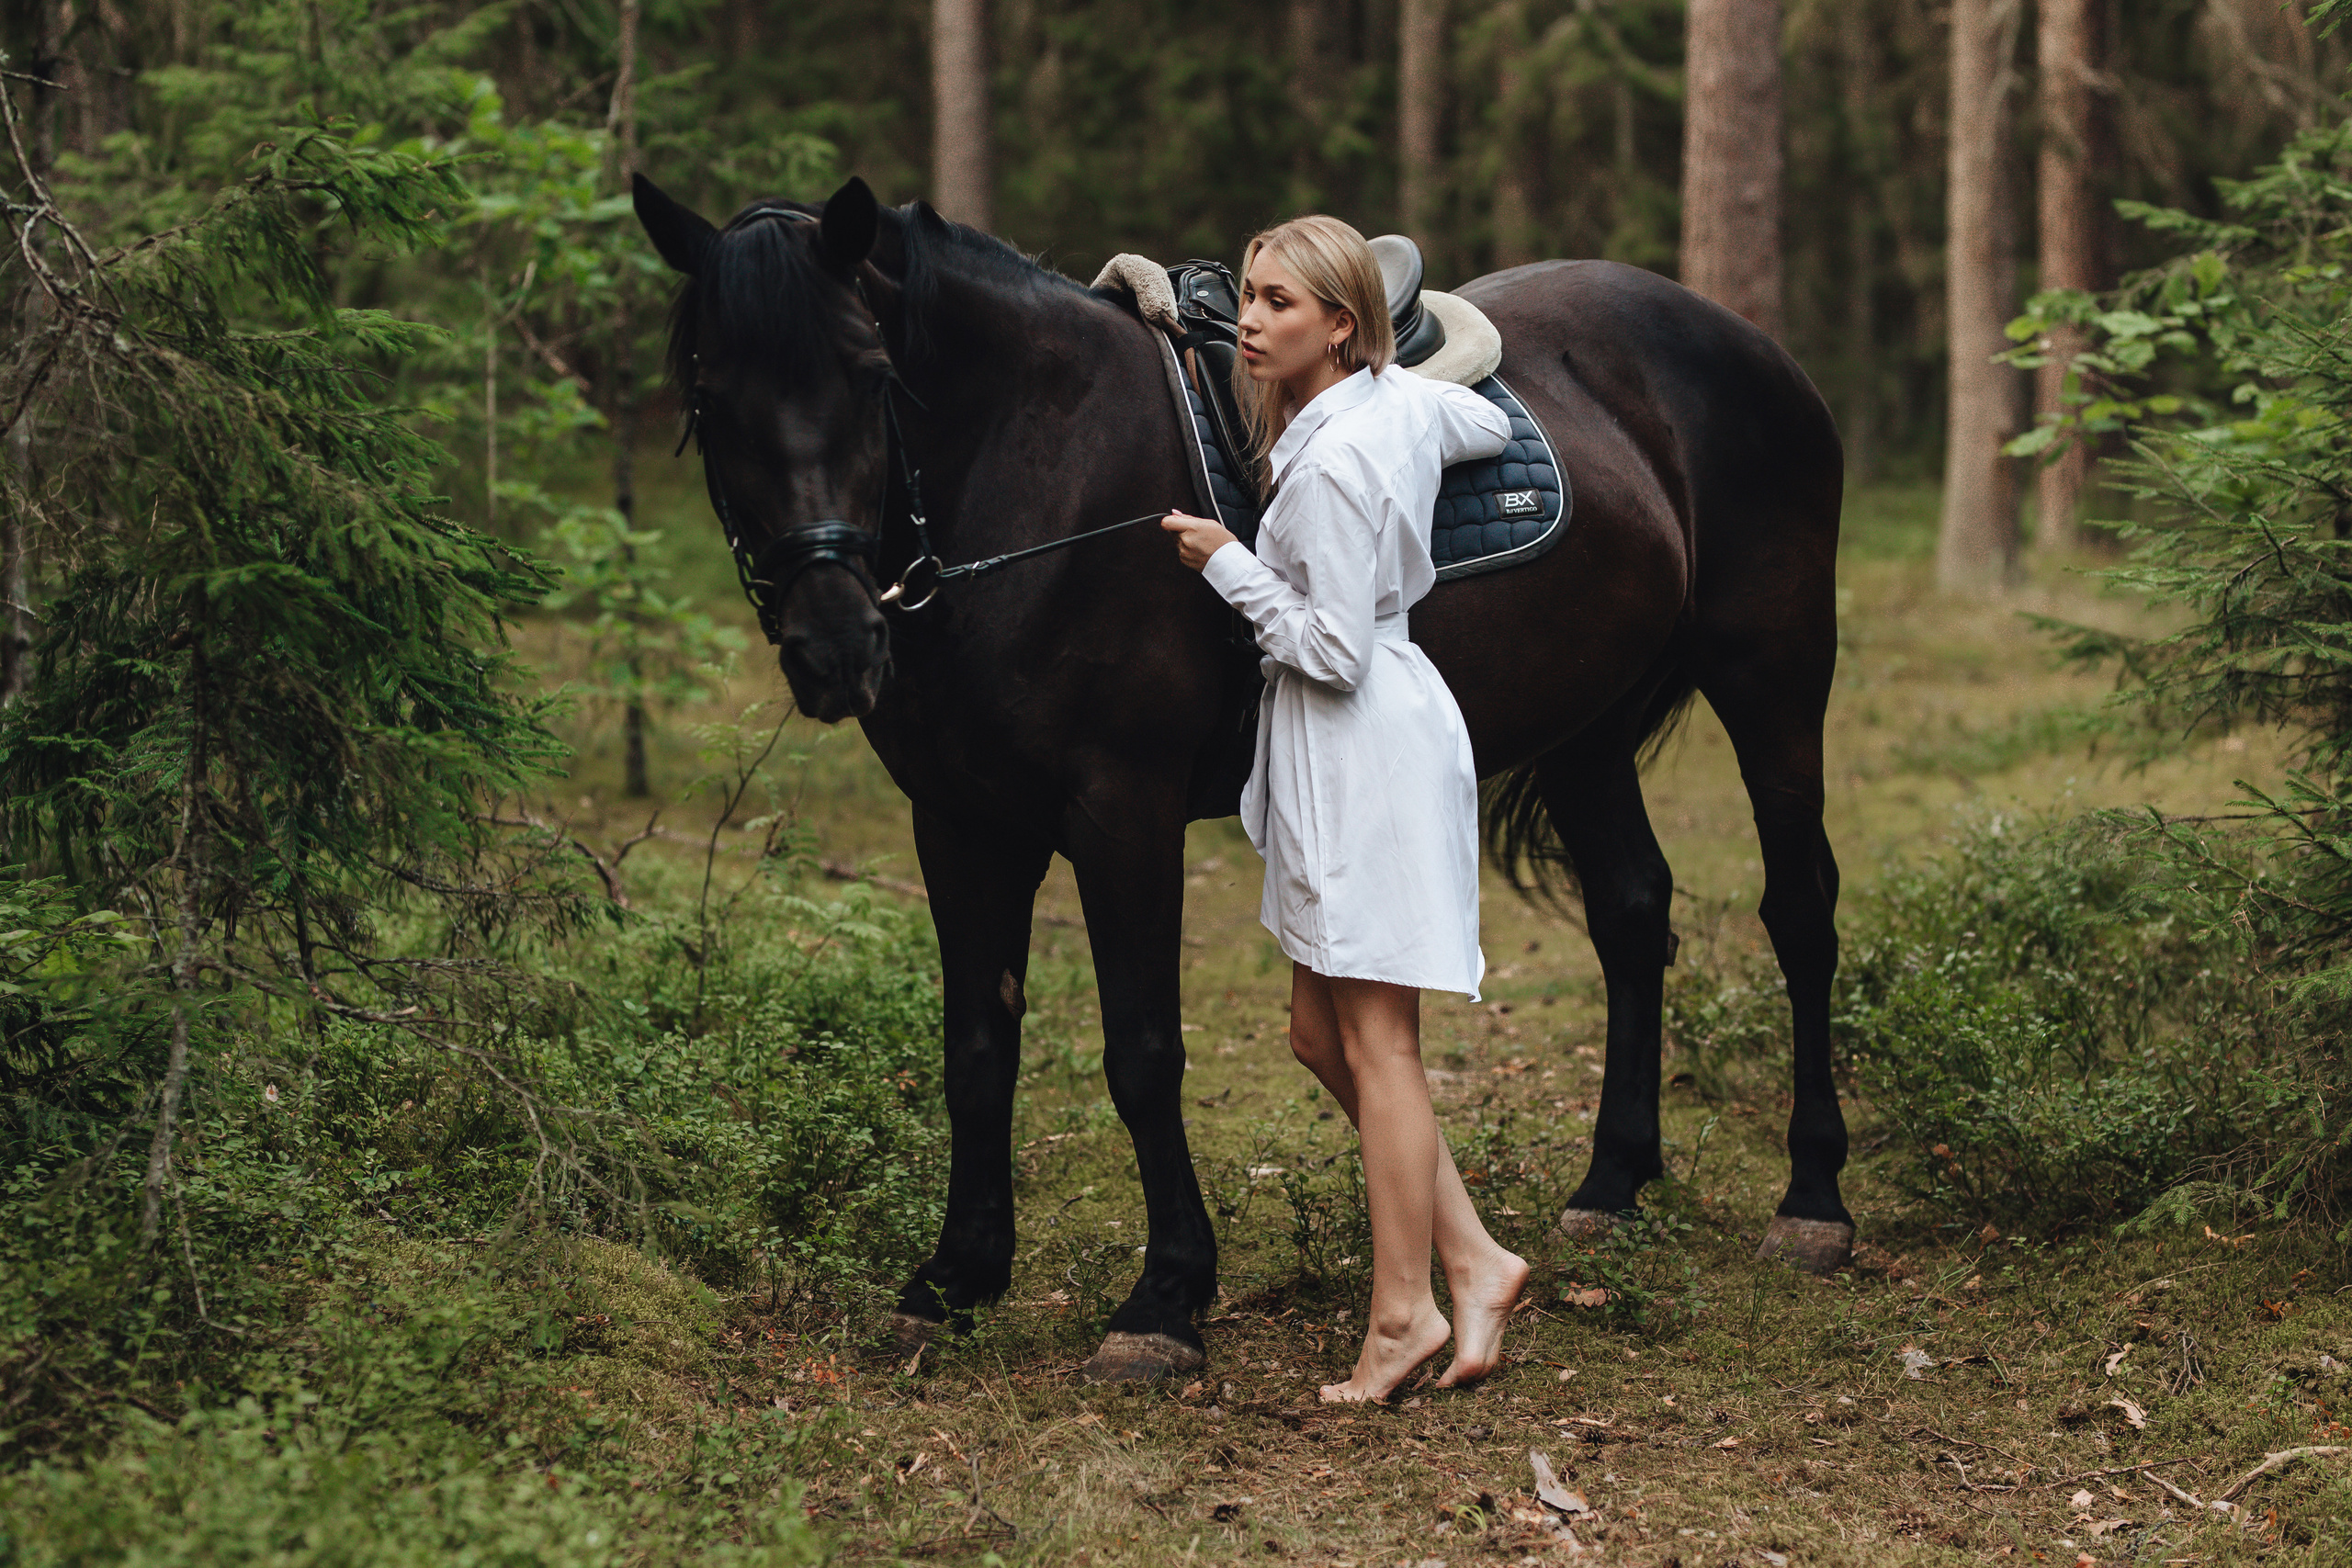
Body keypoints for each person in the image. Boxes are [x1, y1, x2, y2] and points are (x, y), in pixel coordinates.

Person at [1161, 216, 1531, 1403]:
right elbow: (1480, 418)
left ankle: (1402, 1317)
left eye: (1279, 304)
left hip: (1358, 739)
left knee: (1381, 1047)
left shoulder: (1325, 464)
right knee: (1320, 1038)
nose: (1251, 323)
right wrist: (1401, 392)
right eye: (1251, 297)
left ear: (1340, 324)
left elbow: (1328, 650)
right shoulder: (1401, 404)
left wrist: (1226, 557)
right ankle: (1473, 1259)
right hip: (1373, 736)